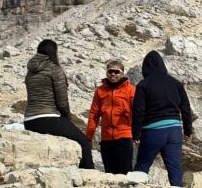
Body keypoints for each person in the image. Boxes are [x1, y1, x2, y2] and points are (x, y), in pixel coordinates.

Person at [23, 39, 94, 170]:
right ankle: (89, 174)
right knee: (84, 142)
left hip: (29, 120)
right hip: (48, 118)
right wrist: (67, 118)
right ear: (53, 51)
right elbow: (62, 100)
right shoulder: (54, 69)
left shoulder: (30, 72)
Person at [131, 50, 194, 185]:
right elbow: (186, 108)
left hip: (153, 131)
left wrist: (136, 134)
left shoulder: (143, 85)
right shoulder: (176, 83)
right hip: (174, 131)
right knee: (175, 167)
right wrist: (188, 131)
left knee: (142, 165)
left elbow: (138, 112)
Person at [85, 59, 135, 174]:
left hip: (124, 136)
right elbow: (94, 114)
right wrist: (89, 136)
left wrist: (138, 133)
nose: (113, 74)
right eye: (110, 71)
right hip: (106, 138)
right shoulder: (100, 91)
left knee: (125, 173)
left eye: (116, 72)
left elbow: (138, 112)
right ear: (106, 73)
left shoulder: (131, 90)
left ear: (122, 73)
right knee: (109, 173)